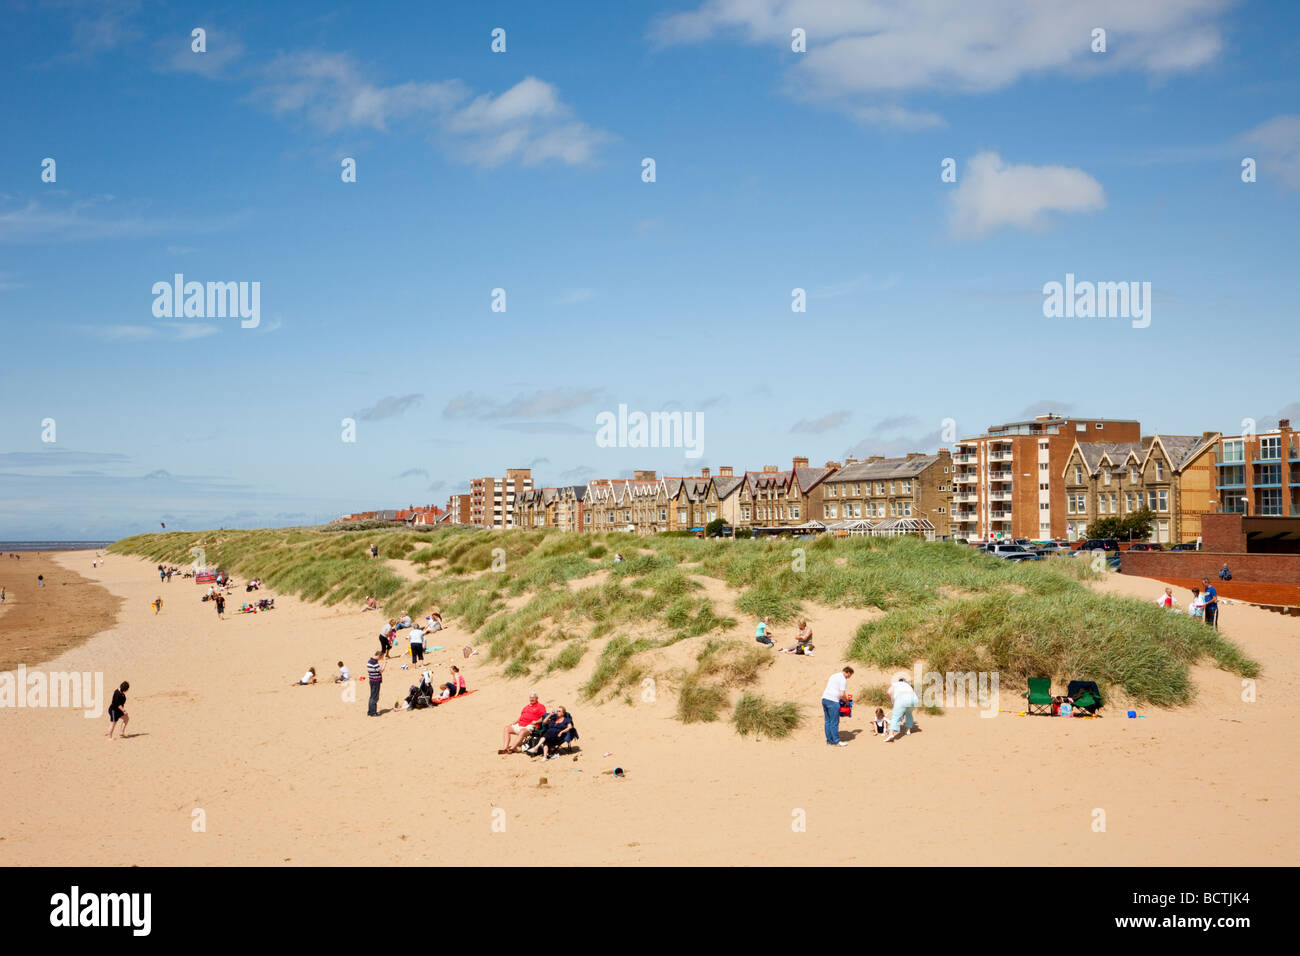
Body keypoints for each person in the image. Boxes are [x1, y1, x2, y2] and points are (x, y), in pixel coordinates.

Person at [821, 666, 853, 746]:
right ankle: (836, 741)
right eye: (850, 675)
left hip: (824, 698)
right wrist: (847, 702)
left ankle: (829, 740)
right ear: (848, 672)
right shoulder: (843, 679)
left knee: (827, 721)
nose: (849, 677)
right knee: (834, 722)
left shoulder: (833, 675)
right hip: (833, 701)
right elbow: (842, 694)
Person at [886, 674, 918, 742]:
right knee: (908, 713)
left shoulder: (895, 684)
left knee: (895, 716)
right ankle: (908, 730)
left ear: (899, 681)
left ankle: (891, 734)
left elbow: (888, 692)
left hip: (902, 698)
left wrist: (891, 701)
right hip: (914, 699)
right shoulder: (908, 685)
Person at [366, 652, 384, 716]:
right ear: (379, 655)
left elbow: (378, 669)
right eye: (381, 657)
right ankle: (373, 712)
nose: (381, 658)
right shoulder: (374, 662)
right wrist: (384, 663)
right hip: (375, 681)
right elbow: (381, 670)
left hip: (372, 680)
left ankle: (370, 711)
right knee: (375, 697)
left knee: (372, 696)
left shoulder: (370, 661)